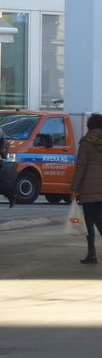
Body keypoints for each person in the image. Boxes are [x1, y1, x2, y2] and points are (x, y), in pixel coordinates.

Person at [68, 113, 102, 264]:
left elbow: (80, 167)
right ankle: (91, 254)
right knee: (99, 219)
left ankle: (92, 254)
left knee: (89, 220)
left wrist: (74, 188)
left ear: (89, 126)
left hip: (88, 188)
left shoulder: (86, 142)